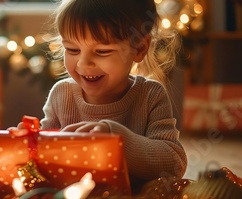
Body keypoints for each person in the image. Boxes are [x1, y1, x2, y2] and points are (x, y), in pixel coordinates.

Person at [14, 0, 187, 191]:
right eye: (72, 50)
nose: (83, 64)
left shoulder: (150, 95)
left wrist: (116, 139)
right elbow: (41, 162)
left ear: (139, 48)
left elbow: (174, 163)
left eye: (102, 51)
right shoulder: (61, 94)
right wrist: (29, 144)